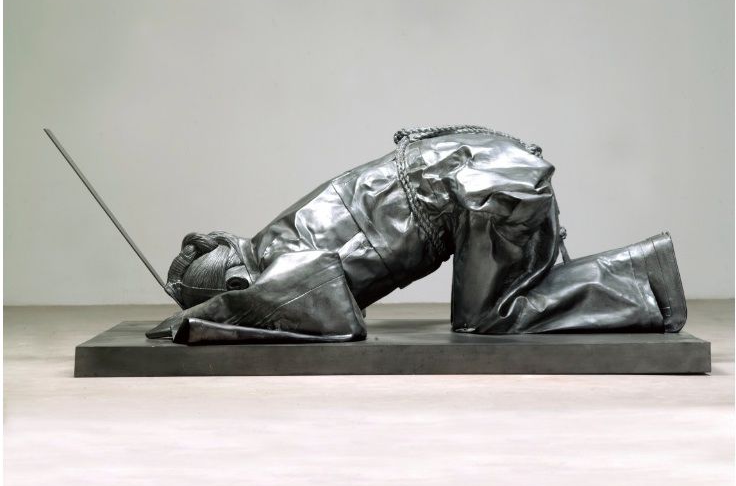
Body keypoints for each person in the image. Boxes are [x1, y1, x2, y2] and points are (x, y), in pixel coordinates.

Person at [146, 125, 686, 345]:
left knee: (488, 319)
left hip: (483, 188)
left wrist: (208, 320)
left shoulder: (280, 261)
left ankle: (645, 276)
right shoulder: (276, 237)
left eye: (224, 299)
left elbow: (340, 322)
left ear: (236, 284)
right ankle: (643, 278)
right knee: (499, 309)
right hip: (482, 173)